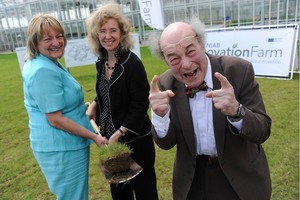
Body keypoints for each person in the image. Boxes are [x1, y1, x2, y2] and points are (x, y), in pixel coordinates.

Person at [148, 18, 272, 200]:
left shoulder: (238, 70)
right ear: (166, 61)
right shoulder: (167, 84)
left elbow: (263, 130)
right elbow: (166, 144)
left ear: (202, 44)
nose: (186, 64)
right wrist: (160, 117)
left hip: (240, 180)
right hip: (192, 183)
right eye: (174, 58)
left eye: (190, 51)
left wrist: (237, 111)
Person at [22, 13, 108, 200]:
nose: (56, 42)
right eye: (48, 38)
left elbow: (58, 102)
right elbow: (55, 119)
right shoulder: (42, 70)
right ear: (35, 42)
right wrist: (94, 136)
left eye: (59, 36)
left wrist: (82, 108)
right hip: (62, 148)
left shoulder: (47, 62)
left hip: (65, 144)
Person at [85, 2, 158, 200]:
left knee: (145, 191)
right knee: (119, 192)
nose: (108, 36)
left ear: (122, 32)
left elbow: (140, 104)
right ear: (96, 35)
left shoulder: (132, 63)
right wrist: (94, 103)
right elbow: (107, 91)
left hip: (135, 140)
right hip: (109, 140)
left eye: (113, 30)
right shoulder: (101, 62)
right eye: (102, 31)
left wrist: (120, 132)